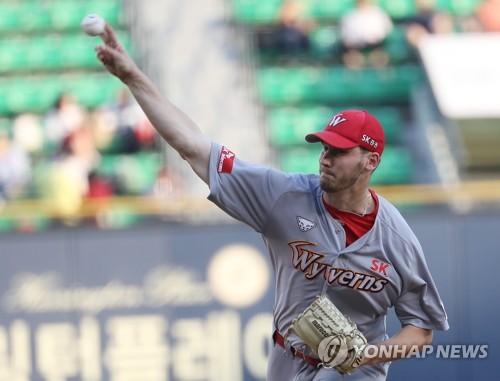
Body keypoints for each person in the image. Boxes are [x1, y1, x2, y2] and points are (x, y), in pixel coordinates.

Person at [94, 23, 449, 381]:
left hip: (351, 372)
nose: (325, 157)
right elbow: (193, 146)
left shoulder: (396, 240)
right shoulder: (284, 196)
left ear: (370, 161)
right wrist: (133, 77)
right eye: (324, 147)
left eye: (339, 151)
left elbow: (421, 329)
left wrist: (366, 357)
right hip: (285, 357)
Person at [339, 0, 393, 68]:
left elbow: (387, 31)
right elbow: (345, 36)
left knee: (380, 59)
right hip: (355, 49)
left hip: (376, 47)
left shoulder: (379, 14)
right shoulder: (349, 15)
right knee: (351, 59)